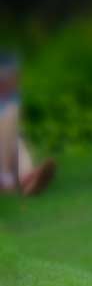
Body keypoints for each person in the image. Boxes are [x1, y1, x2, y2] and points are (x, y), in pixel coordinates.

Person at [0, 51, 55, 197]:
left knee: (17, 141)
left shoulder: (11, 97)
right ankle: (11, 177)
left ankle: (27, 179)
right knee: (12, 118)